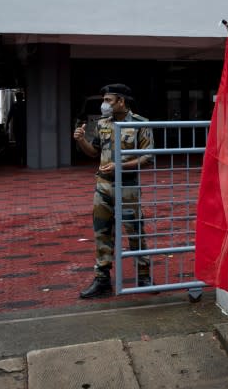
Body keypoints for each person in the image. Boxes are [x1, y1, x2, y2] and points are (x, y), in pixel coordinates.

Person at [73, 84, 154, 298]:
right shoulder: (102, 124)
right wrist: (81, 140)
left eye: (108, 100)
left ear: (121, 101)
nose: (104, 104)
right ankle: (102, 280)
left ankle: (144, 276)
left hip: (127, 187)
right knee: (102, 232)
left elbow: (148, 157)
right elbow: (93, 152)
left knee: (134, 231)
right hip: (103, 186)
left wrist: (120, 166)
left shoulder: (140, 124)